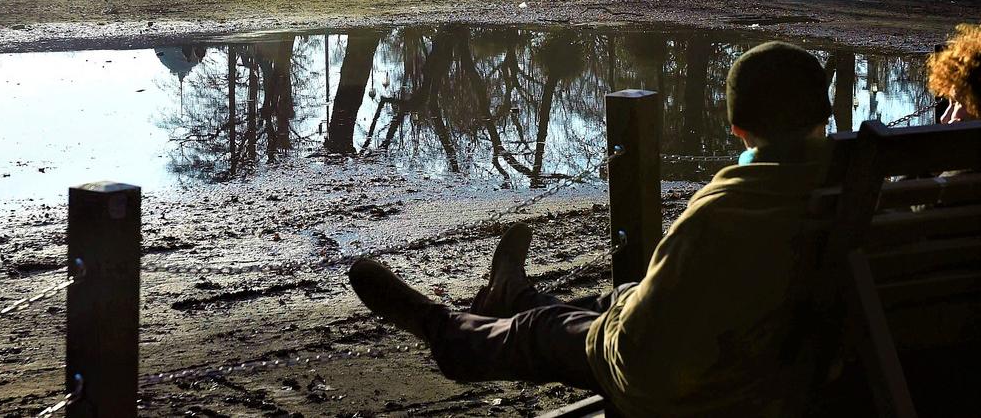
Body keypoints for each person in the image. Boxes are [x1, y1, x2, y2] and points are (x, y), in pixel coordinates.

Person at [349, 41, 835, 417]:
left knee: (546, 330)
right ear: (824, 116)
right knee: (614, 298)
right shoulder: (862, 196)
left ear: (739, 131)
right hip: (810, 369)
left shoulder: (728, 210)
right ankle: (513, 294)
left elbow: (639, 351)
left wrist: (621, 308)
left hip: (716, 390)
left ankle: (447, 331)